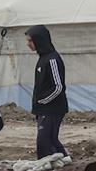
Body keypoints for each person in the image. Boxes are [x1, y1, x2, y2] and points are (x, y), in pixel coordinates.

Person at [25, 25, 68, 159]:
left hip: (52, 109)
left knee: (44, 141)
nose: (28, 44)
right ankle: (64, 162)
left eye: (30, 41)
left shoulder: (52, 59)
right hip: (44, 109)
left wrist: (43, 101)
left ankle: (49, 165)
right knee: (50, 140)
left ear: (39, 40)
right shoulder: (42, 58)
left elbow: (58, 87)